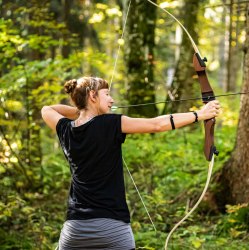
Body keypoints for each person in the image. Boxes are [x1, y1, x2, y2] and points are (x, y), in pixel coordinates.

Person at [41, 76, 221, 249]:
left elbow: (47, 109)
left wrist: (82, 111)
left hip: (75, 231)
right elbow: (156, 125)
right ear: (92, 96)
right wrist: (200, 114)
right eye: (107, 94)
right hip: (113, 229)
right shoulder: (110, 123)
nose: (111, 100)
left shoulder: (66, 130)